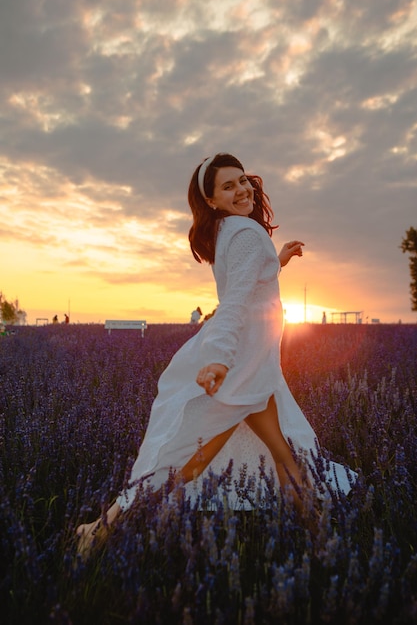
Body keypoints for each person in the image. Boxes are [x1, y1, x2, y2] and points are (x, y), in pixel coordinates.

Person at [76, 153, 356, 555]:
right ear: (210, 200)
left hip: (254, 371)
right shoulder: (244, 233)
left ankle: (321, 544)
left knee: (282, 454)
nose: (242, 190)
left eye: (243, 181)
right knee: (188, 465)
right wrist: (221, 359)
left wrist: (278, 261)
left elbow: (250, 285)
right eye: (228, 186)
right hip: (241, 372)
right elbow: (235, 303)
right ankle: (100, 531)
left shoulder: (229, 230)